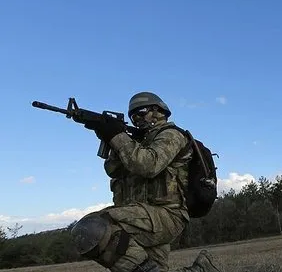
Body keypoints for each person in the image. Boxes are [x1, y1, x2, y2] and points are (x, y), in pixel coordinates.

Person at [68, 92, 221, 272]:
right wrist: (111, 137)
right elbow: (113, 170)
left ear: (158, 111)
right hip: (143, 216)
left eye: (141, 113)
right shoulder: (137, 142)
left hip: (166, 215)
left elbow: (148, 165)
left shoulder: (171, 135)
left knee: (91, 228)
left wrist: (117, 136)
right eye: (133, 117)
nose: (137, 119)